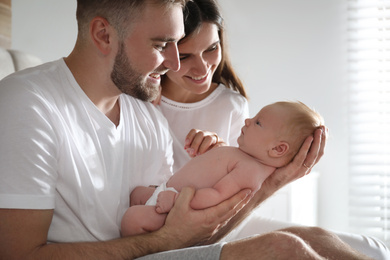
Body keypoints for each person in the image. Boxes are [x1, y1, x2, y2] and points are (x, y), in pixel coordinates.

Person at [0, 0, 371, 259]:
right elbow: (19, 254)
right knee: (284, 251)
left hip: (148, 250)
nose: (175, 63)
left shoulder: (145, 115)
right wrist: (169, 239)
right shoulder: (27, 104)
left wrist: (272, 182)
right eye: (163, 45)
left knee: (320, 239)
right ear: (103, 34)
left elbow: (185, 229)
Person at [154, 0, 390, 259]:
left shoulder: (230, 105)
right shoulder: (144, 103)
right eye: (186, 56)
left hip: (226, 218)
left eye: (211, 48)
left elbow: (239, 184)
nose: (202, 69)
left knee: (373, 249)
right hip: (168, 214)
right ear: (163, 52)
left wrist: (219, 150)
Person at [122, 101, 324, 236]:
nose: (248, 120)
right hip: (165, 194)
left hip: (174, 210)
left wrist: (176, 200)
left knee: (132, 219)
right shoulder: (243, 156)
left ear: (278, 149)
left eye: (258, 122)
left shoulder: (251, 172)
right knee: (137, 194)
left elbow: (216, 198)